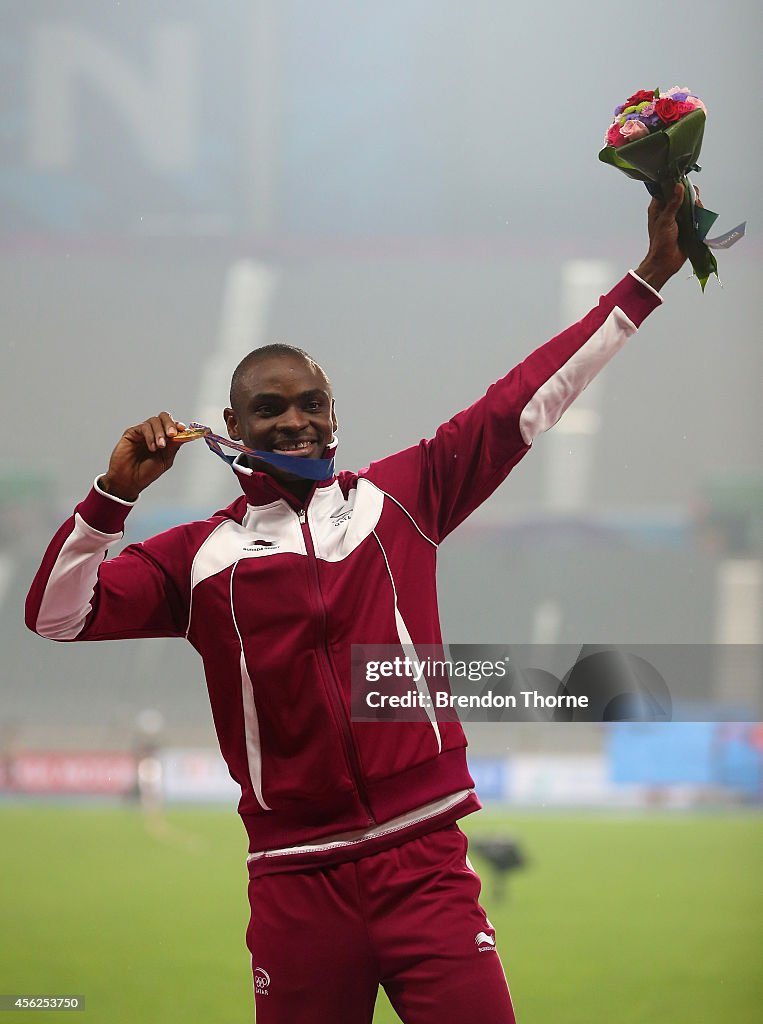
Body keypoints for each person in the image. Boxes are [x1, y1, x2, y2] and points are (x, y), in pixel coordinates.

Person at [26, 186, 689, 1023]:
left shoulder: (399, 499)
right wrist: (108, 500)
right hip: (297, 884)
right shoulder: (196, 559)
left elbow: (524, 401)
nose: (295, 421)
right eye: (270, 409)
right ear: (232, 423)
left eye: (312, 404)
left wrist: (648, 276)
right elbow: (56, 614)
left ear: (335, 415)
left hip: (426, 865)